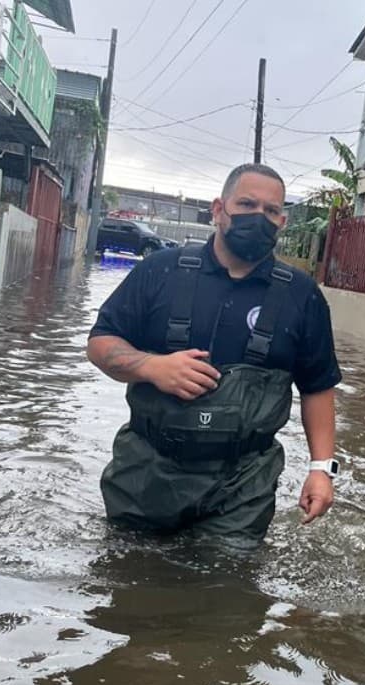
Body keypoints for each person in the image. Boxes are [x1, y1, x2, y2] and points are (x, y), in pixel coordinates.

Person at [86, 164, 342, 543]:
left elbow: (317, 387)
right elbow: (100, 343)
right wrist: (153, 367)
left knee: (227, 586)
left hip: (243, 483)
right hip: (147, 469)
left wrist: (322, 469)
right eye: (247, 204)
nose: (259, 217)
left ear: (283, 221)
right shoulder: (160, 270)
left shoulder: (302, 295)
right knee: (127, 575)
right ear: (218, 209)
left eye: (271, 211)